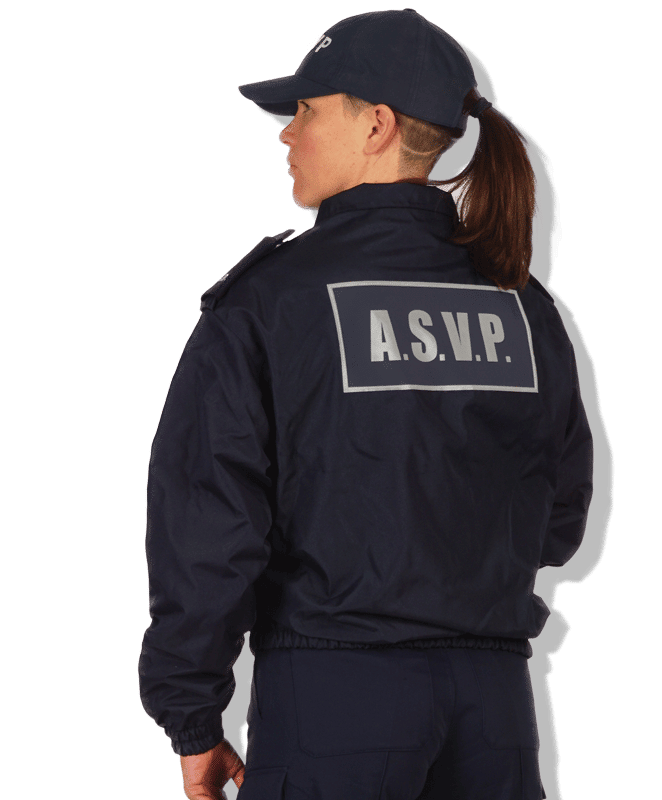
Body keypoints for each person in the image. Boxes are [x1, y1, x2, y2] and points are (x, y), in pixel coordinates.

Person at [138, 9, 594, 800]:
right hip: (496, 712)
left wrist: (195, 721)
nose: (286, 134)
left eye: (306, 111)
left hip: (335, 706)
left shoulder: (271, 301)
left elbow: (209, 527)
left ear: (376, 125)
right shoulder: (527, 307)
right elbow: (562, 525)